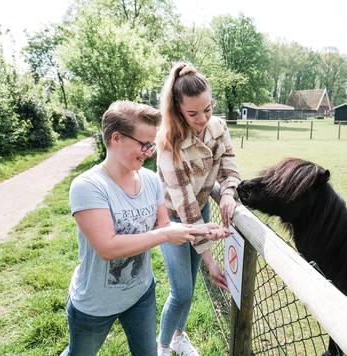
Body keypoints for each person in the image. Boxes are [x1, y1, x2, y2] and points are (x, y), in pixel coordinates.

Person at [62, 101, 226, 356]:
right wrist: (164, 234)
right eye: (144, 144)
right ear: (116, 138)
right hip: (94, 303)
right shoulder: (88, 186)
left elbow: (164, 226)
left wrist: (200, 230)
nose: (149, 152)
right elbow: (107, 247)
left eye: (151, 144)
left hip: (140, 295)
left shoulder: (150, 180)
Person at [156, 63, 241, 356]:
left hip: (202, 209)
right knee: (181, 292)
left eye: (207, 108)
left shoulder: (218, 128)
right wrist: (210, 259)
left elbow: (230, 169)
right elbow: (185, 207)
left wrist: (228, 194)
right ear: (177, 109)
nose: (203, 118)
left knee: (189, 287)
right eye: (193, 113)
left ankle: (179, 336)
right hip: (173, 218)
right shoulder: (169, 143)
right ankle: (163, 346)